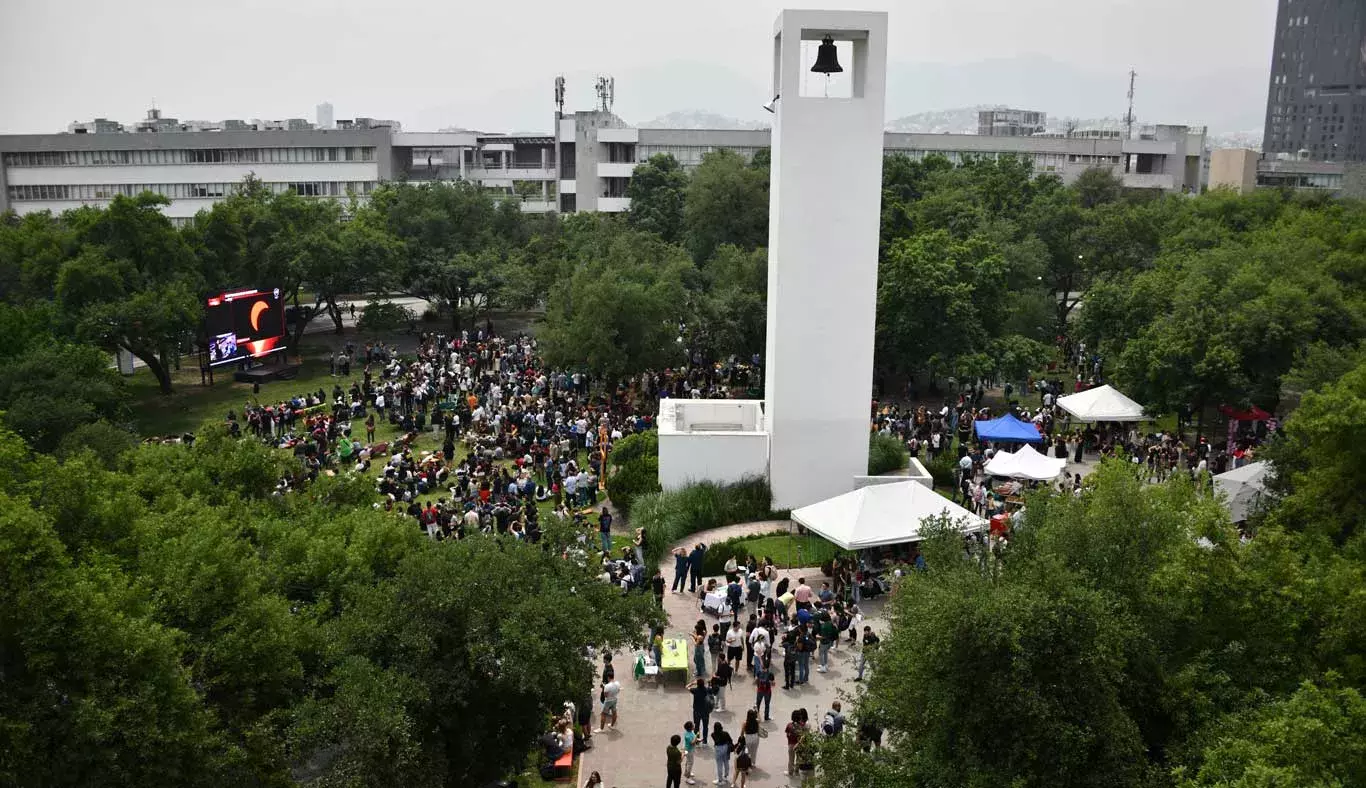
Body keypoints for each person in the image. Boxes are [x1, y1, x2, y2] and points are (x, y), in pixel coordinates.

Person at [689, 678, 713, 745]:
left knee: (696, 726)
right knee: (705, 726)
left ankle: (697, 740)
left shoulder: (695, 690)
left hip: (697, 711)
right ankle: (705, 740)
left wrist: (692, 683)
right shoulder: (707, 690)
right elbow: (712, 690)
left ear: (697, 684)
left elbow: (687, 687)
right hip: (705, 711)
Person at [784, 709, 806, 777]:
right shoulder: (802, 725)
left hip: (791, 744)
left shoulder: (789, 725)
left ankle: (790, 772)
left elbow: (787, 734)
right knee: (798, 758)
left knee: (791, 759)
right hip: (799, 744)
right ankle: (797, 770)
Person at [683, 721, 699, 785]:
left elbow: (693, 738)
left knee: (688, 762)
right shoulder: (688, 735)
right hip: (689, 750)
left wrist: (698, 739)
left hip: (689, 750)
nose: (694, 726)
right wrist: (697, 736)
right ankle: (688, 778)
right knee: (690, 763)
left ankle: (686, 772)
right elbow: (692, 742)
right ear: (690, 728)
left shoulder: (690, 732)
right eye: (693, 725)